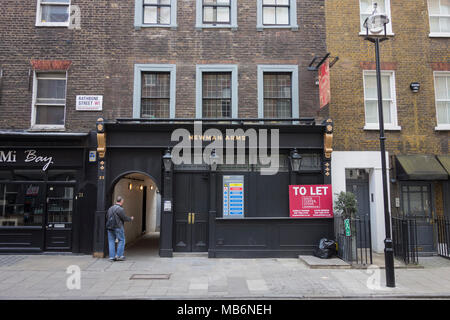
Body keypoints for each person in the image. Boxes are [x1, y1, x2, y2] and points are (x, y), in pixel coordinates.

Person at [106, 196, 134, 261]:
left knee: (111, 241)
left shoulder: (110, 208)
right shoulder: (120, 209)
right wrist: (130, 218)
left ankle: (112, 257)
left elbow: (107, 216)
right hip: (118, 227)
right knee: (122, 240)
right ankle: (119, 255)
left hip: (110, 227)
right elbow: (124, 218)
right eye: (123, 201)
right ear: (121, 201)